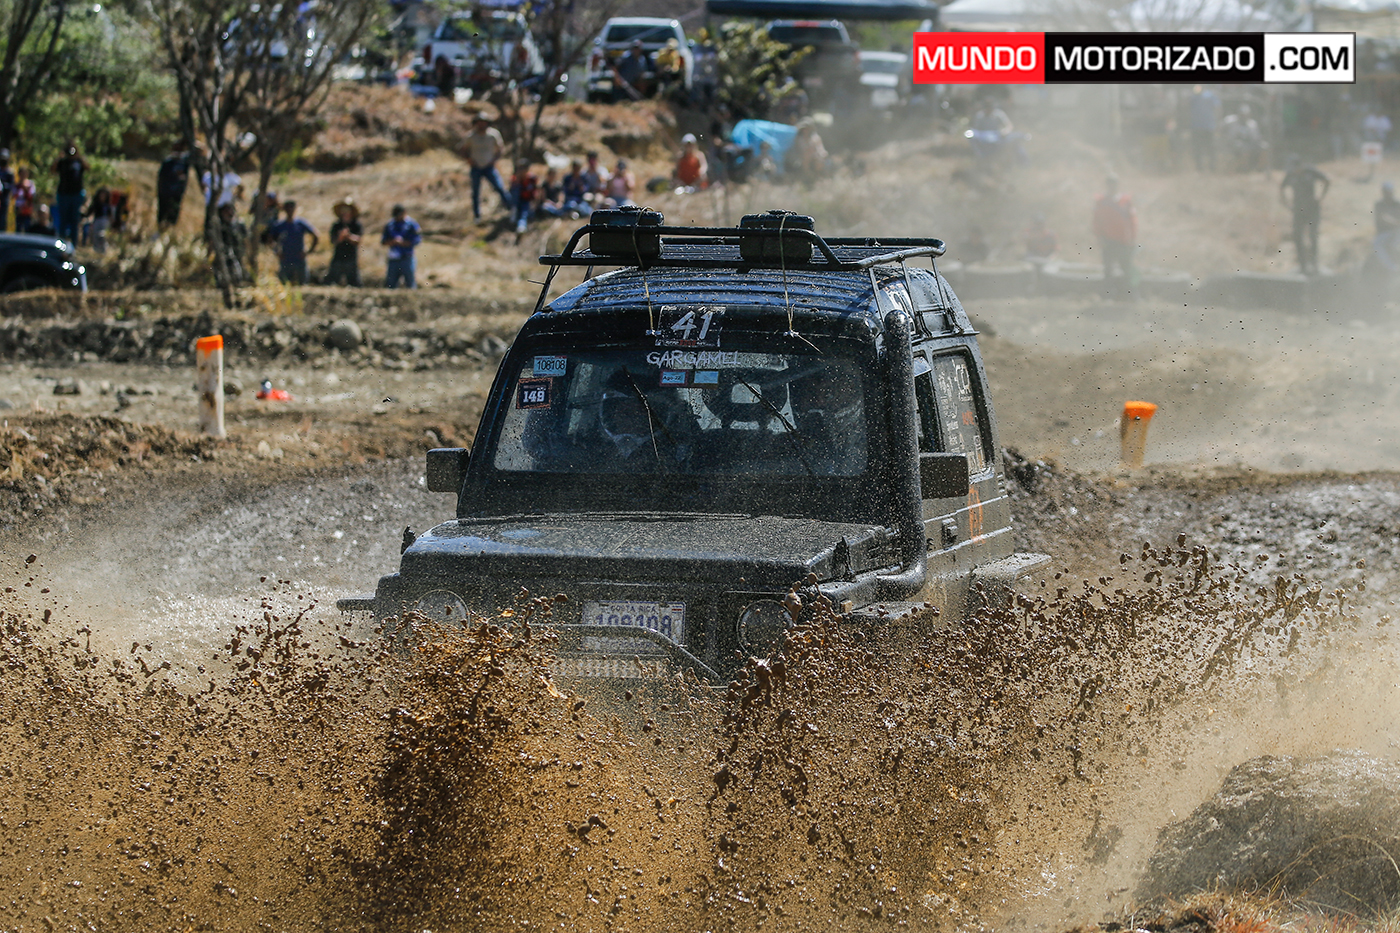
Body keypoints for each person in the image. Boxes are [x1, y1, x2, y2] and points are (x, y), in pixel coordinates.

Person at [787, 362, 866, 475]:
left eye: (829, 394)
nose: (819, 402)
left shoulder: (860, 440)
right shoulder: (788, 444)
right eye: (810, 393)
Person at [1279, 155, 1329, 275]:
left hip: (1312, 209)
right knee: (1297, 236)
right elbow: (1282, 188)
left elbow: (1326, 181)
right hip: (1298, 210)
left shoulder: (1310, 172)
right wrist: (1286, 204)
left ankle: (1314, 264)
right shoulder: (1290, 175)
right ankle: (1302, 265)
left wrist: (1321, 197)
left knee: (1312, 236)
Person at [1092, 174, 1137, 297]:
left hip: (1123, 240)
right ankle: (1107, 295)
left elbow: (1132, 221)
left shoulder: (1125, 201)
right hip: (1107, 240)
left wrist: (1132, 237)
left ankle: (1130, 295)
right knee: (1108, 269)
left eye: (1114, 184)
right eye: (1110, 184)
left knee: (1126, 268)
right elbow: (1096, 221)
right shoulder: (1101, 201)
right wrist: (1099, 238)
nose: (1112, 186)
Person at [463, 112, 511, 221]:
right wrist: (469, 160)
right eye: (479, 122)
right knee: (476, 192)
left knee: (499, 187)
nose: (481, 124)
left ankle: (510, 208)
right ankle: (477, 215)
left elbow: (500, 149)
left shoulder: (493, 134)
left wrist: (494, 160)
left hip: (489, 166)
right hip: (476, 167)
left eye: (483, 122)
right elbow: (464, 150)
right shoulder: (471, 136)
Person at [267, 199, 318, 284]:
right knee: (284, 282)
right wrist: (276, 252)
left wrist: (309, 251)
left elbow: (315, 235)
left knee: (302, 283)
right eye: (288, 208)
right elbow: (270, 240)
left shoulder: (300, 223)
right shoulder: (279, 225)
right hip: (286, 258)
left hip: (299, 258)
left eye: (292, 208)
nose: (290, 210)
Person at [52, 141, 88, 242]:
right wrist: (59, 157)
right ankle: (61, 242)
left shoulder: (78, 162)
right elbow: (53, 170)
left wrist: (79, 157)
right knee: (63, 220)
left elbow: (87, 167)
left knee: (74, 220)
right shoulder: (62, 162)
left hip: (76, 195)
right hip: (64, 194)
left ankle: (73, 243)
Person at [382, 203, 421, 289]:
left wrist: (403, 243)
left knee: (410, 282)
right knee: (390, 284)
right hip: (393, 258)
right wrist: (393, 242)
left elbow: (417, 241)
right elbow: (383, 241)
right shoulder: (390, 225)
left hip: (407, 257)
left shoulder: (411, 224)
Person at [325, 197, 362, 286]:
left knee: (354, 281)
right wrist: (340, 237)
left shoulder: (356, 225)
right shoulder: (336, 225)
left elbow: (358, 240)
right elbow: (333, 241)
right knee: (331, 280)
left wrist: (348, 236)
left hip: (351, 257)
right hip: (338, 256)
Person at [156, 143, 192, 230]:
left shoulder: (184, 163)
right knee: (163, 210)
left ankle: (171, 229)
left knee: (174, 211)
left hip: (177, 192)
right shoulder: (167, 162)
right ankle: (161, 227)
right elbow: (161, 177)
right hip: (165, 191)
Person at [1188, 85, 1220, 172]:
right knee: (1198, 148)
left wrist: (1217, 122)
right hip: (1196, 126)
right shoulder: (1193, 96)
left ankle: (1212, 167)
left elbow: (1217, 108)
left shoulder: (1210, 95)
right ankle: (1199, 168)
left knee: (1210, 147)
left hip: (1208, 126)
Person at [218, 201, 248, 284]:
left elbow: (245, 238)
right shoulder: (220, 226)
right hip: (225, 251)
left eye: (230, 211)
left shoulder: (239, 224)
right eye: (226, 211)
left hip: (238, 250)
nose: (229, 213)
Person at [1374, 181, 1400, 274]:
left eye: (1389, 192)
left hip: (1397, 231)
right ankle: (1393, 268)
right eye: (1386, 192)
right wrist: (1396, 223)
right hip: (1384, 233)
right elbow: (1383, 218)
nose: (1388, 194)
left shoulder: (1397, 204)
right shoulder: (1379, 204)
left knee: (1395, 245)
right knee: (1377, 245)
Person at [508, 158, 539, 236]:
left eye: (524, 168)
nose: (522, 170)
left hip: (527, 201)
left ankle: (521, 225)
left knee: (524, 213)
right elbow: (511, 192)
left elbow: (535, 191)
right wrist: (518, 180)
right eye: (520, 168)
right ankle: (514, 212)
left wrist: (534, 202)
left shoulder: (532, 178)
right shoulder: (515, 179)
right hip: (516, 202)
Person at [83, 187, 117, 253]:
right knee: (96, 235)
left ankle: (104, 250)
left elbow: (110, 215)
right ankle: (97, 250)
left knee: (103, 236)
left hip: (105, 221)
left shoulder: (108, 205)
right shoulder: (96, 204)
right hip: (97, 221)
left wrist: (112, 222)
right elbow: (89, 212)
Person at [12, 166, 35, 233]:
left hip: (27, 209)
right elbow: (14, 195)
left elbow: (31, 196)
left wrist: (25, 189)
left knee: (27, 226)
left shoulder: (30, 184)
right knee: (18, 227)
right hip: (19, 208)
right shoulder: (17, 185)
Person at [0, 149, 13, 232]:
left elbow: (11, 186)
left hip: (4, 198)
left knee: (3, 217)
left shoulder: (9, 172)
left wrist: (3, 186)